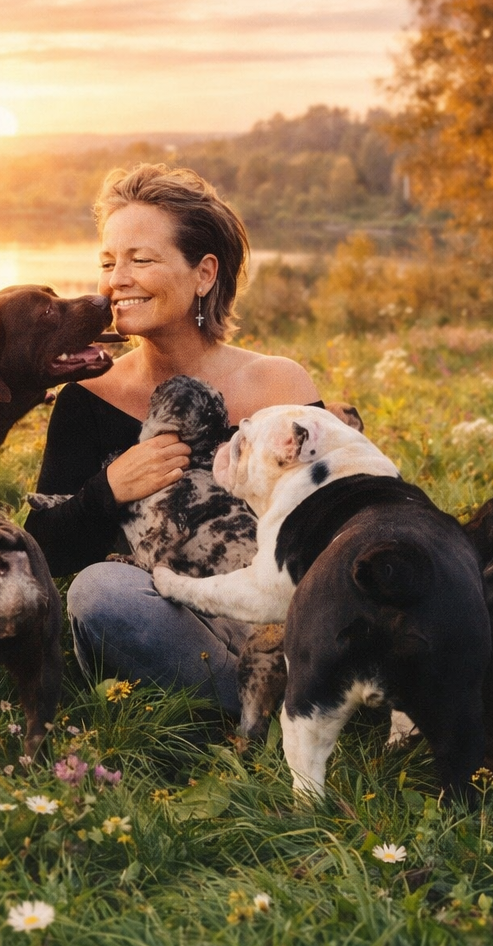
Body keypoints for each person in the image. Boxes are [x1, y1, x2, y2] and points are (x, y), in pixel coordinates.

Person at [24, 163, 319, 712]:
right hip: (175, 621)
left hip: (285, 617)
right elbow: (44, 550)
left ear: (203, 274)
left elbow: (338, 520)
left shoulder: (279, 385)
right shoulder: (89, 398)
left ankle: (298, 686)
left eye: (141, 260)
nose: (117, 280)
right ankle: (258, 706)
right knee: (99, 592)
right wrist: (108, 490)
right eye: (108, 262)